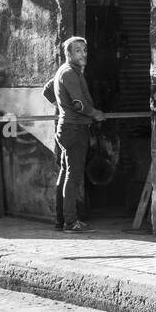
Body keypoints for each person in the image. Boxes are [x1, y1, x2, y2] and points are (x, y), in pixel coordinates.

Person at [51, 36, 105, 232]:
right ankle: (71, 222)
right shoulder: (70, 73)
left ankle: (61, 220)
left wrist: (62, 105)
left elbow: (48, 92)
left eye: (84, 50)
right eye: (78, 50)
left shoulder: (65, 72)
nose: (83, 54)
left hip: (67, 128)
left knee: (66, 174)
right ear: (69, 54)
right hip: (74, 130)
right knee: (72, 177)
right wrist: (95, 113)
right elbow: (79, 104)